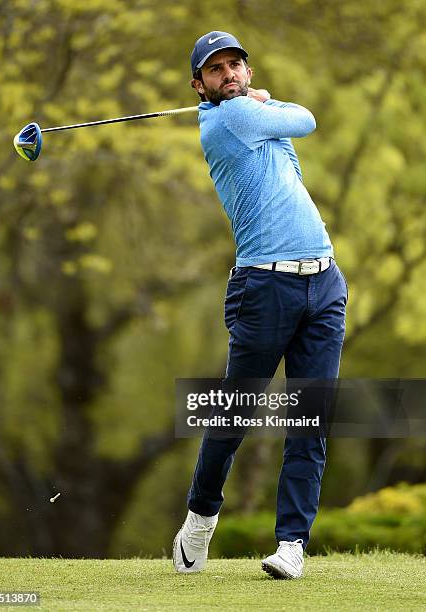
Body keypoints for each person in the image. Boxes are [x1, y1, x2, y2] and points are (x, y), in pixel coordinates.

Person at [173, 31, 347, 579]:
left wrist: (263, 103)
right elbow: (308, 119)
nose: (230, 74)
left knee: (311, 419)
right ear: (199, 85)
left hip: (324, 281)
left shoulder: (251, 116)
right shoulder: (229, 121)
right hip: (264, 289)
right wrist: (263, 101)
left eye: (236, 66)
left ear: (246, 70)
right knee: (236, 411)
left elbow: (290, 155)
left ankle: (291, 544)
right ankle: (198, 523)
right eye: (217, 70)